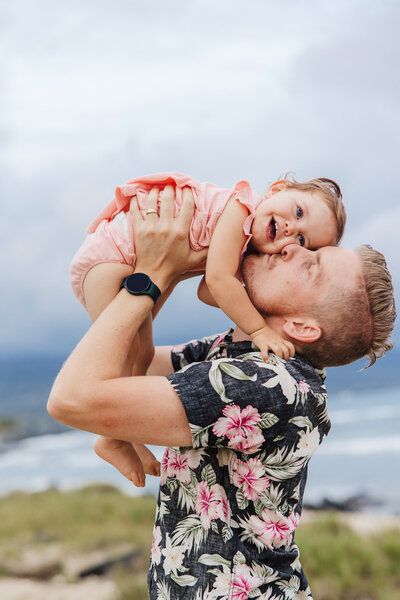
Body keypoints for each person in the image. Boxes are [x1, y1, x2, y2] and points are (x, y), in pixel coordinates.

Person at [48, 187, 395, 600]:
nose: (289, 248)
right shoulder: (236, 356)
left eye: (310, 264)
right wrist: (168, 265)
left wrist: (154, 274)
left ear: (302, 328)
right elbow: (113, 364)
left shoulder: (266, 384)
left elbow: (73, 398)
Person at [70, 172, 346, 486]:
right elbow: (217, 281)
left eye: (301, 240)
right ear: (277, 189)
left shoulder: (244, 246)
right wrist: (259, 330)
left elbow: (206, 291)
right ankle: (111, 438)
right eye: (298, 212)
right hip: (111, 254)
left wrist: (255, 306)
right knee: (124, 351)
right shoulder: (241, 207)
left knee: (141, 353)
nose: (291, 229)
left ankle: (119, 436)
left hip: (130, 261)